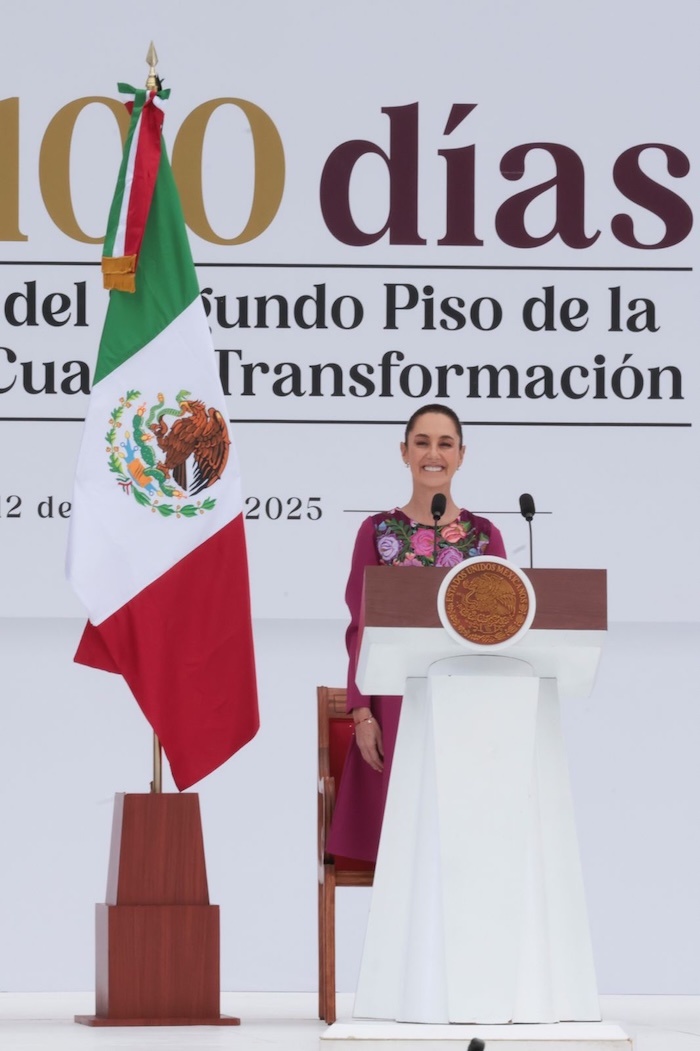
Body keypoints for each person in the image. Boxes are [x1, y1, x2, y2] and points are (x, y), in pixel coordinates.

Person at [326, 404, 507, 862]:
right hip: (393, 704)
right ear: (404, 452)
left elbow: (505, 629)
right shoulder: (377, 531)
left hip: (466, 706)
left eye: (445, 444)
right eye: (422, 442)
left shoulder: (485, 537)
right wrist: (361, 713)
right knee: (403, 848)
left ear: (462, 455)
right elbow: (360, 626)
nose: (433, 453)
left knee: (465, 852)